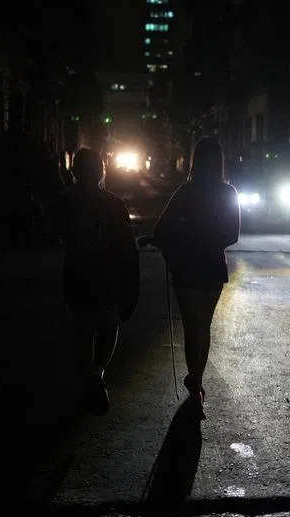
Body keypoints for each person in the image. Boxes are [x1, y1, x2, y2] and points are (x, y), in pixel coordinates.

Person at [152, 137, 240, 418]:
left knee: (193, 328)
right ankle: (197, 381)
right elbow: (233, 234)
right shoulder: (228, 193)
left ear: (195, 161)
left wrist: (180, 241)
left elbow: (161, 229)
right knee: (204, 326)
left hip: (186, 266)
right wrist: (211, 239)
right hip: (212, 266)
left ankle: (196, 384)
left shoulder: (185, 192)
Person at [54, 148, 141, 415]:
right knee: (108, 328)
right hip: (108, 279)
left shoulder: (67, 202)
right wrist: (132, 287)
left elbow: (54, 230)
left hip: (78, 277)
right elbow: (129, 249)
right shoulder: (114, 204)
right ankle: (97, 372)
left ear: (75, 172)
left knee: (83, 331)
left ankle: (88, 378)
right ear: (101, 171)